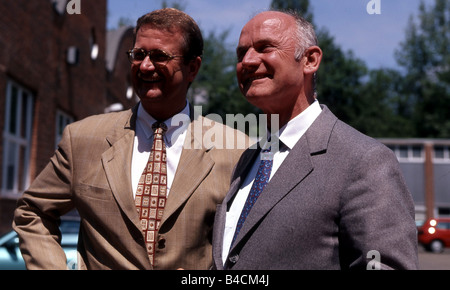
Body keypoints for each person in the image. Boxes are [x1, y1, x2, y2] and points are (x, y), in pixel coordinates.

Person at [13, 8, 249, 270]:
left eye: (160, 56)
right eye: (139, 55)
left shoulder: (236, 150)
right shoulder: (82, 139)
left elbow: (249, 243)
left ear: (192, 67)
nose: (146, 66)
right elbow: (32, 212)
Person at [212, 10, 419, 270]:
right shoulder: (248, 160)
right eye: (241, 53)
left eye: (265, 48)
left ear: (310, 60)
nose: (248, 61)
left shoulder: (364, 161)